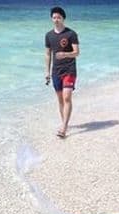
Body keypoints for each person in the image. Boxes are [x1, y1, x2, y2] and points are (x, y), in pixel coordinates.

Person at [45, 6, 80, 139]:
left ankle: (64, 128)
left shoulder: (71, 34)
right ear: (51, 19)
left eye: (59, 17)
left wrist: (65, 54)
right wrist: (47, 72)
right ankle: (64, 122)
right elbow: (47, 54)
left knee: (67, 97)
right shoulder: (49, 35)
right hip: (56, 71)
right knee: (60, 99)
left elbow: (77, 53)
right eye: (54, 17)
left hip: (69, 70)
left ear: (63, 18)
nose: (56, 20)